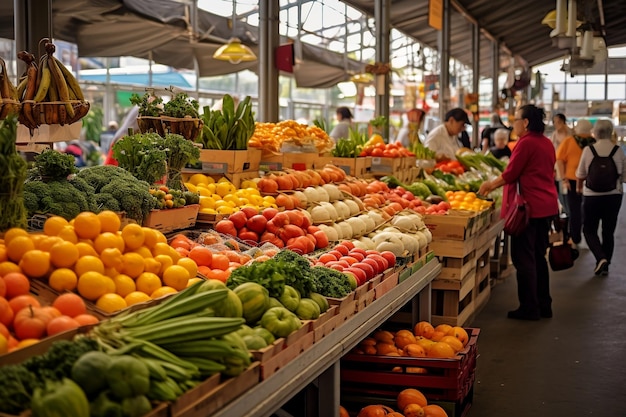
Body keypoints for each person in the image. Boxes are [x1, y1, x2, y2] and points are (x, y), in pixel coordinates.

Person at [478, 104, 559, 320]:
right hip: (547, 206)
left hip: (528, 209)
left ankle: (529, 308)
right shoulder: (547, 143)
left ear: (525, 122)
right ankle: (544, 305)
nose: (513, 124)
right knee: (539, 256)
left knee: (523, 259)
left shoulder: (526, 143)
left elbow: (511, 174)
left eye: (516, 120)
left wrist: (489, 186)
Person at [575, 119, 626, 276]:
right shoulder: (618, 151)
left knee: (589, 229)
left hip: (592, 196)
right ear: (610, 132)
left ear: (595, 133)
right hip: (613, 196)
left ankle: (600, 257)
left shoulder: (588, 150)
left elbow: (580, 174)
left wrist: (578, 188)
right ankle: (606, 264)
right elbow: (624, 177)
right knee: (608, 231)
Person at [555, 118, 595, 249]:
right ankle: (589, 237)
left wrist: (563, 178)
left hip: (572, 179)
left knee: (574, 210)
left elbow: (559, 159)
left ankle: (575, 238)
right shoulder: (594, 142)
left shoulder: (569, 141)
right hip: (590, 181)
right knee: (588, 209)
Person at [551, 113, 573, 214]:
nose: (556, 124)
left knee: (570, 195)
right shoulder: (553, 136)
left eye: (559, 122)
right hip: (557, 169)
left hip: (570, 169)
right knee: (560, 194)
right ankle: (566, 214)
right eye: (554, 122)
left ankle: (570, 214)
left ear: (564, 122)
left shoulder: (571, 134)